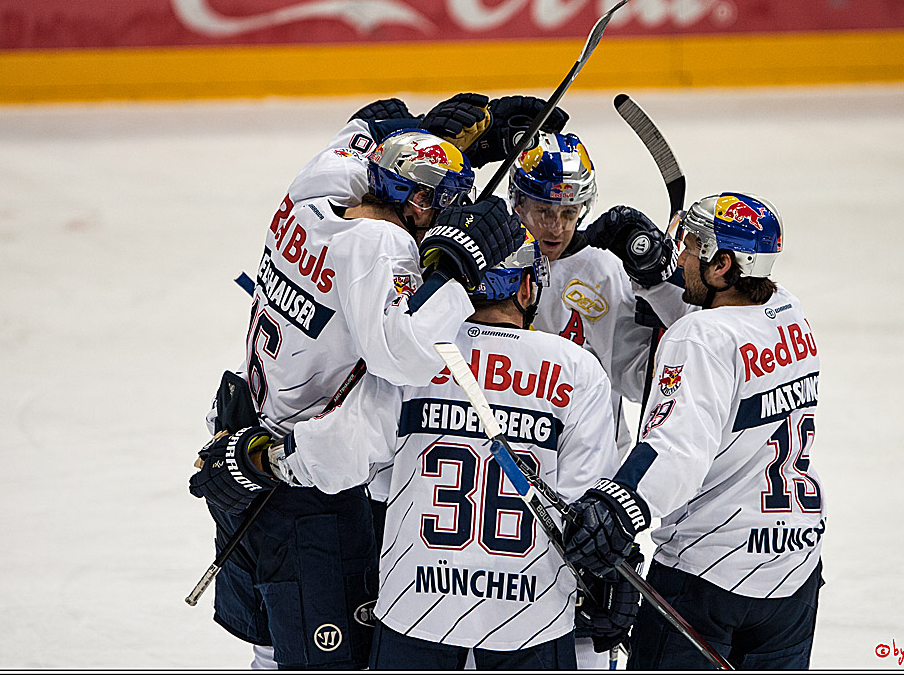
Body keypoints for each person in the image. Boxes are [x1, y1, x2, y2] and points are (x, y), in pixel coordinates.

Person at [189, 92, 558, 669]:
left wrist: (430, 135)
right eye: (440, 204)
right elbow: (402, 356)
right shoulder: (380, 244)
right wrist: (457, 265)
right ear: (413, 202)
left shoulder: (312, 192)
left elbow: (365, 123)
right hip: (299, 483)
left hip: (241, 442)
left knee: (273, 644)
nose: (442, 217)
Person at [245, 233, 628, 669]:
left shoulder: (416, 356)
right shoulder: (577, 370)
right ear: (527, 288)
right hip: (529, 616)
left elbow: (340, 454)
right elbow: (588, 501)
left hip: (417, 606)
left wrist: (263, 458)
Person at [562, 193, 826, 670]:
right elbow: (723, 342)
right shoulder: (790, 314)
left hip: (709, 575)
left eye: (689, 246)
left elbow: (677, 447)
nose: (678, 256)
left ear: (721, 264)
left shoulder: (698, 339)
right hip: (794, 569)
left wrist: (618, 504)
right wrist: (654, 282)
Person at [506, 130, 689, 667]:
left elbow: (640, 381)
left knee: (588, 650)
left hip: (590, 502)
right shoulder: (492, 263)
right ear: (516, 202)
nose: (554, 226)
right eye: (541, 210)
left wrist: (659, 300)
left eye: (568, 212)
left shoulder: (606, 271)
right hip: (502, 481)